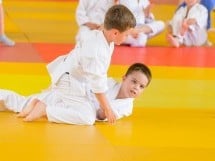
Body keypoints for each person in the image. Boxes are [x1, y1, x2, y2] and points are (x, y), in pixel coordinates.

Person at [0, 4, 136, 125]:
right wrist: (107, 109)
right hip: (69, 81)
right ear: (115, 32)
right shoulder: (96, 51)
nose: (127, 38)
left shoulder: (104, 35)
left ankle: (40, 103)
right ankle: (45, 109)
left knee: (25, 103)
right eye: (126, 35)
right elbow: (98, 85)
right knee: (88, 117)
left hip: (71, 77)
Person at [0, 63, 152, 124]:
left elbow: (100, 114)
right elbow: (85, 81)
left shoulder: (127, 107)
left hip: (73, 108)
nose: (136, 87)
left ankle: (44, 108)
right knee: (20, 103)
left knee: (89, 117)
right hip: (70, 95)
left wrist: (105, 112)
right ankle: (43, 107)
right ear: (124, 78)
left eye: (141, 86)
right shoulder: (108, 82)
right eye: (133, 81)